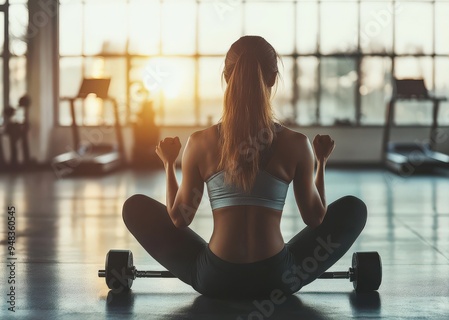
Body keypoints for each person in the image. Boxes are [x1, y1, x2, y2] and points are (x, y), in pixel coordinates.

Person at [122, 36, 367, 299]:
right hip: (277, 279)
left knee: (135, 207)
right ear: (273, 79)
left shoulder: (199, 142)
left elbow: (179, 218)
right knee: (353, 209)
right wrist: (321, 163)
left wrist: (169, 164)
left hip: (215, 278)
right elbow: (315, 218)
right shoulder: (297, 144)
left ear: (227, 77)